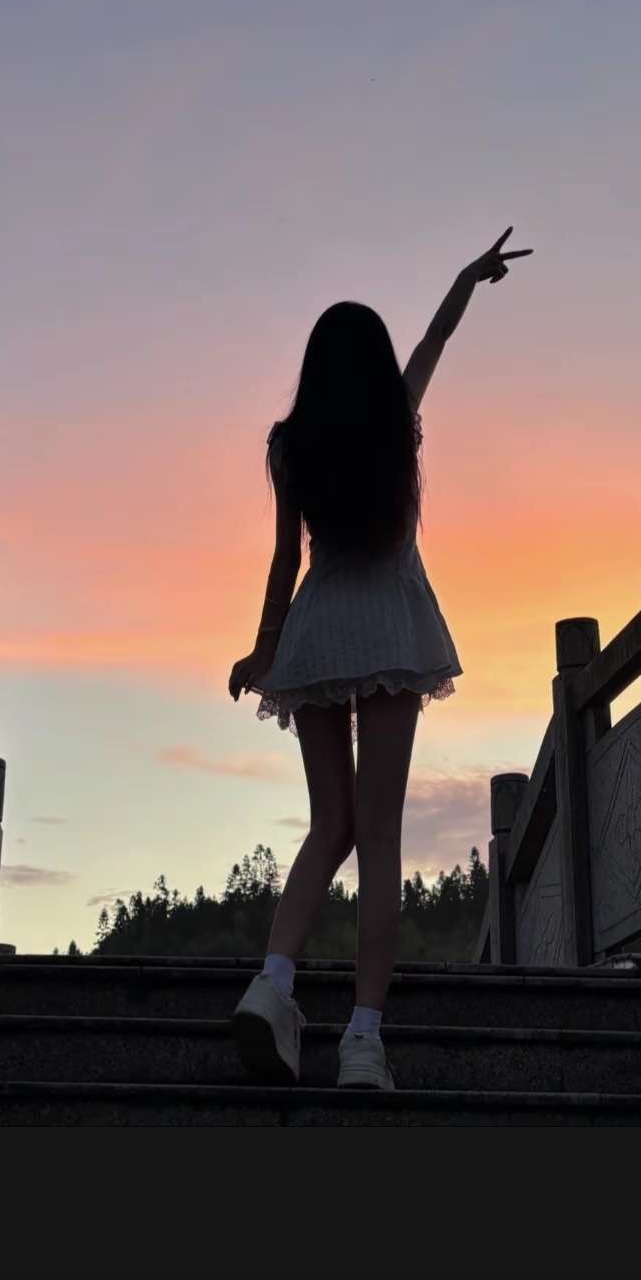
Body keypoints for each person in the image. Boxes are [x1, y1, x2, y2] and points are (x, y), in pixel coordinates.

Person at [227, 226, 532, 1092]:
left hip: (318, 634)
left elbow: (284, 559)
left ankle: (272, 983)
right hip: (393, 630)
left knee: (329, 824)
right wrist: (467, 279)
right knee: (381, 837)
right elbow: (435, 340)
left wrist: (263, 648)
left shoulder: (291, 444)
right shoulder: (396, 419)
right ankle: (363, 1039)